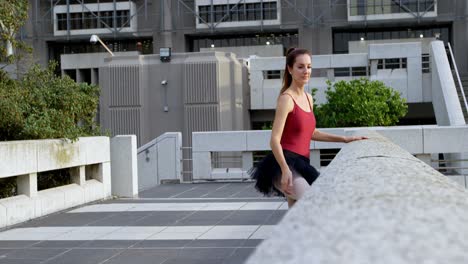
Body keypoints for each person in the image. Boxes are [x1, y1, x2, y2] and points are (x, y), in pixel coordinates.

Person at [249, 47, 367, 208]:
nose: (306, 71)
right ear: (290, 69)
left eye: (309, 66)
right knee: (313, 201)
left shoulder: (308, 98)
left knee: (296, 216)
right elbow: (274, 140)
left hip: (303, 163)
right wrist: (285, 170)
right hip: (283, 164)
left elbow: (311, 133)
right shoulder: (286, 99)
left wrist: (345, 139)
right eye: (300, 66)